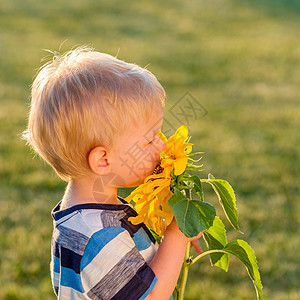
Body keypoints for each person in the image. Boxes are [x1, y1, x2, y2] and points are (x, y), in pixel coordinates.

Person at [22, 46, 202, 300]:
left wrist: (169, 239)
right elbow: (150, 297)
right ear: (103, 160)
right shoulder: (98, 236)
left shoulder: (88, 216)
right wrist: (177, 233)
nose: (162, 147)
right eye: (150, 140)